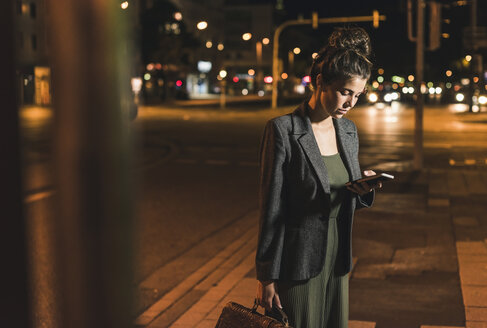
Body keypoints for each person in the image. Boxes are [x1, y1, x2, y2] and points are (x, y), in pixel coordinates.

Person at [255, 27, 382, 328]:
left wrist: (363, 188)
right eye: (345, 92)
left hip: (338, 261)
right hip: (297, 264)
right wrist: (266, 277)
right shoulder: (283, 131)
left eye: (358, 95)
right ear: (321, 81)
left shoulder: (348, 132)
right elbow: (271, 209)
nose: (351, 103)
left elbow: (343, 195)